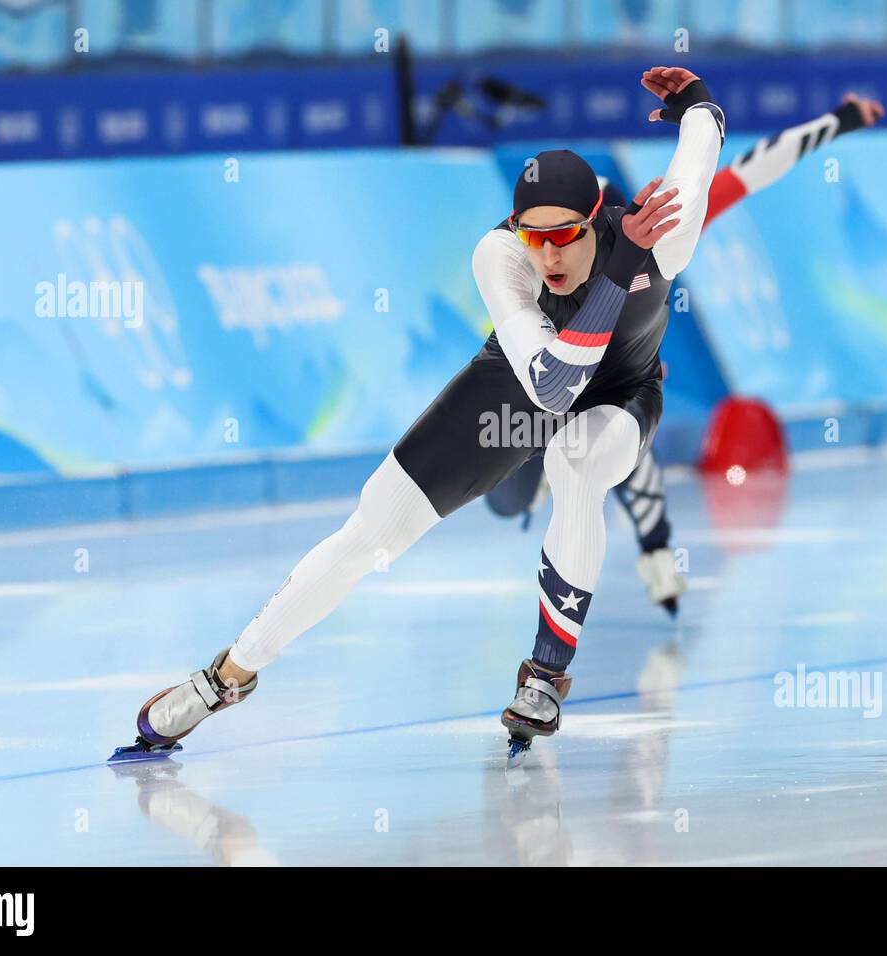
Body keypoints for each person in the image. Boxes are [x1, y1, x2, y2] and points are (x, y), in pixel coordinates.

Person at [112, 66, 726, 766]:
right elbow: (552, 387)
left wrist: (696, 103)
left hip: (619, 397)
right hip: (526, 390)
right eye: (534, 237)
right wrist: (613, 277)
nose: (548, 255)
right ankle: (227, 674)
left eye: (565, 237)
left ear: (598, 221)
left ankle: (546, 672)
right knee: (373, 527)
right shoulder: (500, 257)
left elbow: (700, 150)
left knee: (576, 460)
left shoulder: (660, 234)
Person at [483, 92, 886, 616]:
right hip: (541, 388)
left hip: (607, 385)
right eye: (547, 239)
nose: (560, 254)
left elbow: (754, 168)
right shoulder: (523, 254)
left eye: (580, 237)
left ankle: (655, 549)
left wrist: (841, 119)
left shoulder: (660, 232)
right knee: (507, 496)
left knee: (622, 428)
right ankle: (551, 483)